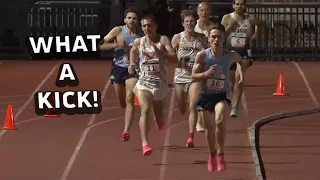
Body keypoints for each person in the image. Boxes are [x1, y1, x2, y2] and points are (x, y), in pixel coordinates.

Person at [192, 24, 243, 172]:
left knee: (220, 120)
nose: (216, 40)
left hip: (222, 95)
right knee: (209, 128)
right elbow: (194, 77)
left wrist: (240, 72)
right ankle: (212, 154)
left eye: (219, 37)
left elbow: (241, 60)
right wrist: (205, 74)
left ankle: (221, 153)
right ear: (208, 39)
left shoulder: (229, 55)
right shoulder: (202, 55)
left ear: (223, 39)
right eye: (213, 37)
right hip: (206, 95)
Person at [128, 14, 177, 156]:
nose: (146, 28)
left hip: (159, 84)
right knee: (145, 109)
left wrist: (160, 52)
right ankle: (145, 144)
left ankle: (159, 119)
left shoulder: (163, 40)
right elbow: (132, 51)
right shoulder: (139, 42)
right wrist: (132, 63)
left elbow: (173, 55)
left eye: (149, 25)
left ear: (155, 26)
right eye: (144, 26)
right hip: (144, 83)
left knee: (159, 115)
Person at [99, 8, 143, 141]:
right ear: (125, 20)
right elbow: (100, 45)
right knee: (122, 101)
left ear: (138, 21)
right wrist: (116, 44)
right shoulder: (118, 31)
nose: (131, 20)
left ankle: (126, 130)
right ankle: (127, 114)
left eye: (134, 18)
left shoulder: (141, 35)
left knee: (130, 97)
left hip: (133, 69)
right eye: (129, 18)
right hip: (118, 67)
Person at [171, 9, 208, 148]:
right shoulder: (177, 38)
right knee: (182, 107)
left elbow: (207, 53)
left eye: (192, 21)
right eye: (187, 21)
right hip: (180, 77)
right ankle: (186, 112)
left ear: (195, 22)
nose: (189, 24)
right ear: (183, 23)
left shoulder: (202, 38)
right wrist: (183, 64)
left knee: (193, 105)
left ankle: (190, 137)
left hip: (195, 77)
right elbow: (173, 55)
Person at [221, 0, 261, 117]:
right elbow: (221, 34)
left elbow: (261, 23)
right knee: (231, 81)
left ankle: (234, 107)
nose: (239, 6)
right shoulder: (227, 18)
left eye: (242, 4)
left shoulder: (250, 18)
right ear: (233, 5)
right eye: (237, 4)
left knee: (240, 78)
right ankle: (232, 100)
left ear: (245, 6)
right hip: (229, 51)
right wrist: (229, 27)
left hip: (244, 52)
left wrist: (256, 33)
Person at [193, 1, 215, 132]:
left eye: (206, 10)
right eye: (201, 10)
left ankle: (202, 121)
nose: (204, 13)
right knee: (197, 95)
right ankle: (199, 121)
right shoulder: (193, 28)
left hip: (209, 63)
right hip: (195, 65)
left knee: (207, 93)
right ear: (197, 12)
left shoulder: (213, 27)